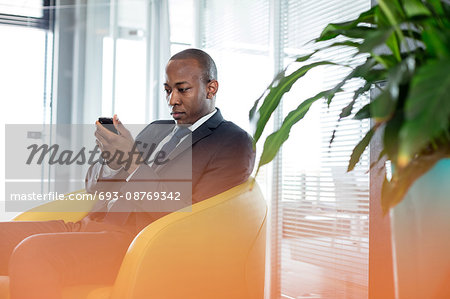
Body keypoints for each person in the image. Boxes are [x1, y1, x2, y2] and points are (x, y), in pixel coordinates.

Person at [0, 49, 255, 299]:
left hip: (135, 245)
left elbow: (193, 220)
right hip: (89, 226)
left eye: (182, 89)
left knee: (33, 253)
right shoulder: (157, 130)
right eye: (167, 90)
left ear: (211, 88)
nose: (172, 100)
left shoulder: (231, 141)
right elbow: (94, 188)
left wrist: (132, 161)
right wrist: (112, 161)